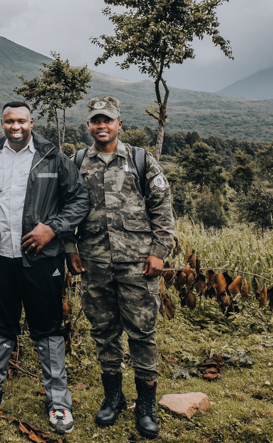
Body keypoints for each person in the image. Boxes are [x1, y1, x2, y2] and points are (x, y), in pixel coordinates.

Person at [0, 101, 88, 435]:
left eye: (21, 120)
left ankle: (59, 404)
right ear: (2, 123)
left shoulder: (52, 157)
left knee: (48, 329)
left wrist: (53, 227)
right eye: (9, 121)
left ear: (31, 122)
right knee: (0, 325)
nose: (15, 126)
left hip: (42, 259)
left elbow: (79, 199)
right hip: (0, 258)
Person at [69, 96, 174, 440]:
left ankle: (146, 406)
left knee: (142, 333)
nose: (102, 126)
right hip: (94, 263)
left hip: (137, 265)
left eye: (108, 120)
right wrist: (70, 248)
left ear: (119, 124)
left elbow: (162, 208)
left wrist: (159, 251)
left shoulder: (141, 160)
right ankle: (113, 397)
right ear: (89, 125)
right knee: (104, 332)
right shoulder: (77, 163)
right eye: (96, 120)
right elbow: (63, 208)